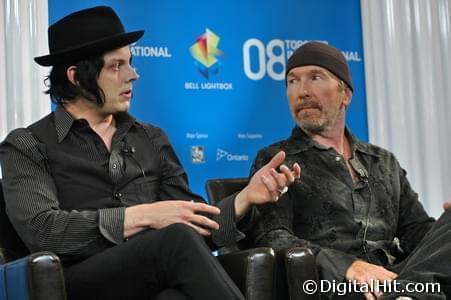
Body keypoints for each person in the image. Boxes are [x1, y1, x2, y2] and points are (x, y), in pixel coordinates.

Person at [0, 6, 301, 300]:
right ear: (75, 77)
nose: (132, 75)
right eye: (116, 66)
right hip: (76, 282)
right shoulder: (27, 145)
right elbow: (44, 231)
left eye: (130, 63)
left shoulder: (151, 138)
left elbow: (194, 226)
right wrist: (145, 216)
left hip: (153, 274)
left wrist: (247, 197)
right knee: (174, 239)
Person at [248, 42, 451, 299]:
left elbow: (418, 233)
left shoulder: (383, 162)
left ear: (345, 94)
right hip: (334, 286)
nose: (302, 91)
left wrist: (443, 230)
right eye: (292, 81)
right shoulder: (276, 161)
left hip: (396, 276)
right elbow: (272, 238)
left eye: (316, 77)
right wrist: (348, 266)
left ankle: (405, 293)